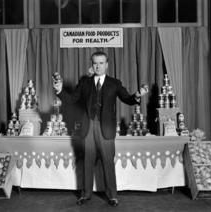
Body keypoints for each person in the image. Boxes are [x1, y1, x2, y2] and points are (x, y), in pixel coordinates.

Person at [53, 51, 147, 207]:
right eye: (95, 63)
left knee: (108, 161)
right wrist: (60, 90)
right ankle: (86, 194)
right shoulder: (85, 83)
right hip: (88, 126)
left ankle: (112, 196)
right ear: (92, 64)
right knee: (87, 161)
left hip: (106, 128)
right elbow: (71, 100)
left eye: (101, 63)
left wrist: (137, 94)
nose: (98, 66)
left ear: (107, 65)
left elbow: (127, 99)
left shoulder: (114, 83)